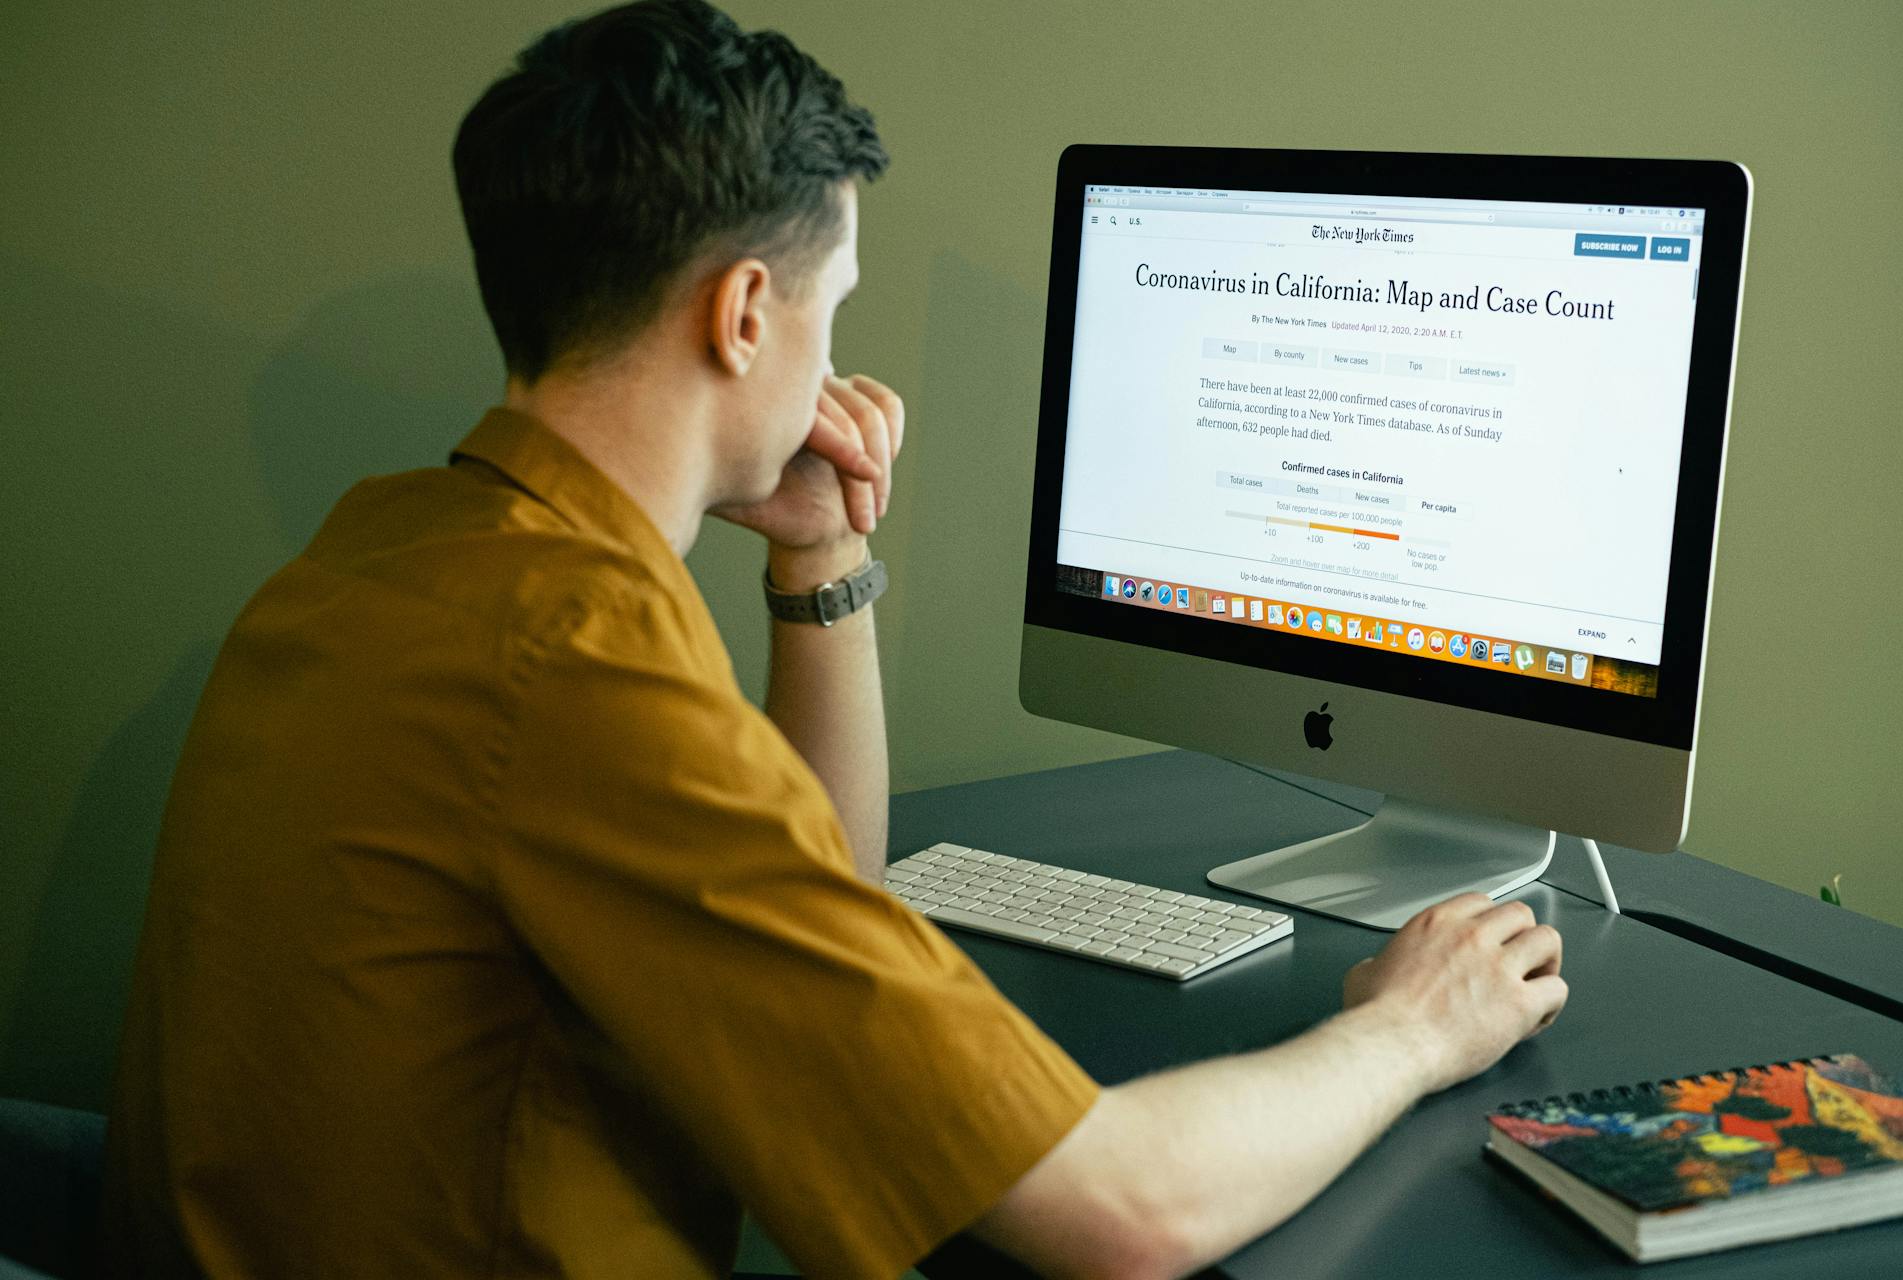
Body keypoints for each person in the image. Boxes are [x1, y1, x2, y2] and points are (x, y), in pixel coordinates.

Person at [100, 3, 1569, 1277]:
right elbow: (1125, 1215)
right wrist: (1413, 1033)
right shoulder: (574, 656)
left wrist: (822, 558)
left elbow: (822, 886)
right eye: (833, 306)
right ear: (745, 312)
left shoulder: (401, 545)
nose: (835, 355)